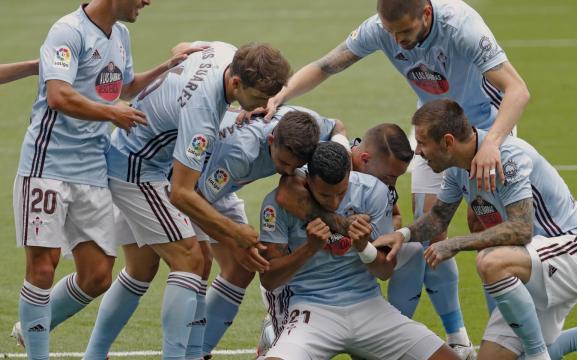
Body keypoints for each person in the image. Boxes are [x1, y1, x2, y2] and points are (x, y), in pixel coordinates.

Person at [245, 0, 531, 355]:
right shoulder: (381, 29)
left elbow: (517, 90)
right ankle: (452, 334)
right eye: (391, 34)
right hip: (433, 134)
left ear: (426, 14)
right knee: (427, 233)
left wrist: (492, 144)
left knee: (487, 232)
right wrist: (281, 95)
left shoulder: (461, 26)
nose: (397, 42)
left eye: (405, 33)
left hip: (486, 132)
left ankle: (502, 341)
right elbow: (325, 65)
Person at [11, 1, 204, 358]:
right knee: (42, 266)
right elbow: (58, 96)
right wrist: (110, 113)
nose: (147, 2)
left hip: (93, 169)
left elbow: (124, 88)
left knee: (98, 275)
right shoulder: (68, 31)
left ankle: (31, 326)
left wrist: (167, 67)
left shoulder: (121, 34)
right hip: (47, 166)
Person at [82, 41, 292, 359]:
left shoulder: (225, 52)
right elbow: (182, 194)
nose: (264, 107)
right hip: (137, 167)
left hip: (147, 156)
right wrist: (235, 233)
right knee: (190, 260)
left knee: (147, 266)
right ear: (237, 83)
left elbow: (182, 47)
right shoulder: (202, 115)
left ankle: (96, 354)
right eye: (260, 99)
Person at [374, 99, 577, 360]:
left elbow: (521, 229)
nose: (418, 151)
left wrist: (455, 243)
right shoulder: (457, 171)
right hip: (528, 268)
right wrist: (401, 235)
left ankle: (538, 355)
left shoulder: (507, 157)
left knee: (490, 260)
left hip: (575, 252)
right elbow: (437, 218)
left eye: (422, 143)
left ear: (448, 142)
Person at [259, 141, 458, 360]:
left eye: (341, 193)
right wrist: (309, 248)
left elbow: (385, 271)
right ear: (307, 181)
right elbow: (269, 279)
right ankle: (274, 333)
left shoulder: (373, 192)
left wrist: (364, 247)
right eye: (325, 195)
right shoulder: (277, 205)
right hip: (311, 310)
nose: (334, 203)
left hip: (370, 307)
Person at [189, 106, 342, 359]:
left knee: (244, 266)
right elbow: (193, 201)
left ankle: (199, 352)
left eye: (297, 166)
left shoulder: (310, 124)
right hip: (179, 182)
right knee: (192, 263)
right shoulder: (240, 154)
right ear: (271, 140)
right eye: (282, 163)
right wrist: (235, 239)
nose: (288, 171)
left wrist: (342, 149)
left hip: (216, 189)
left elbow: (338, 125)